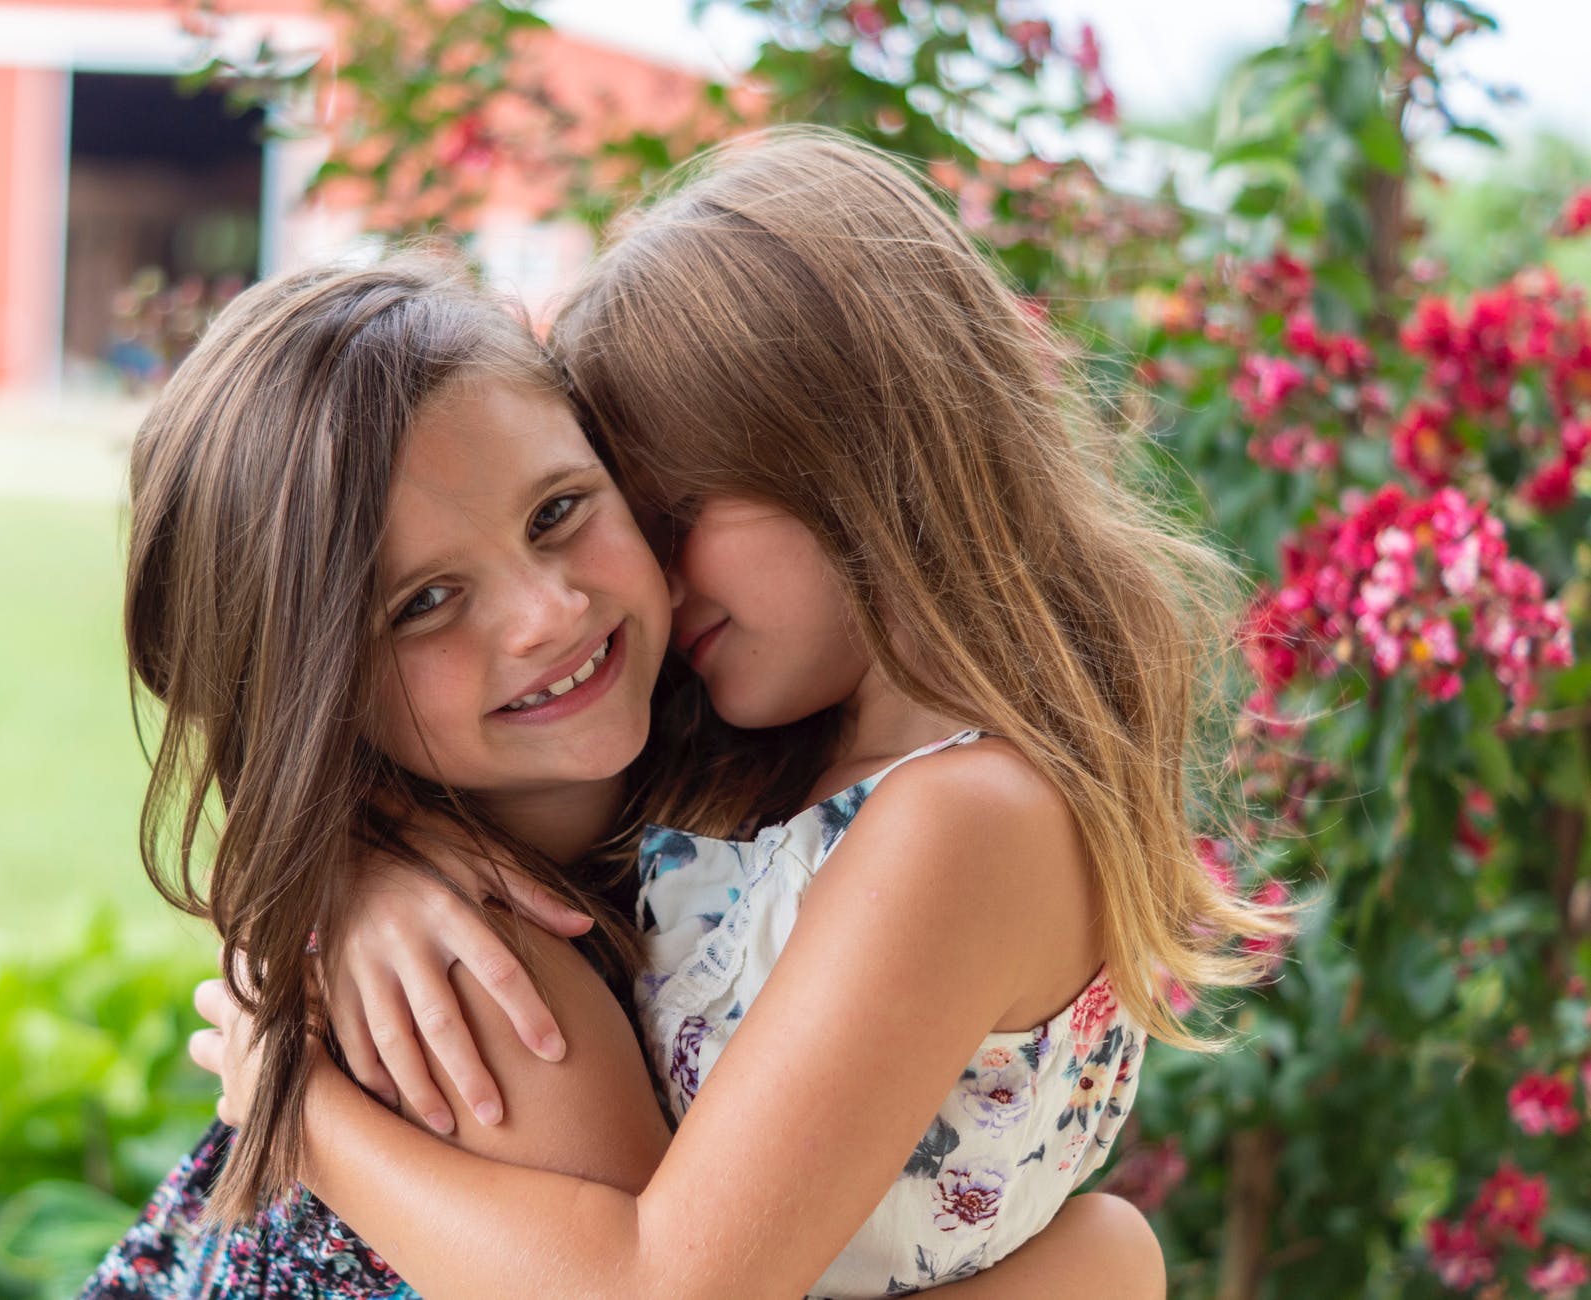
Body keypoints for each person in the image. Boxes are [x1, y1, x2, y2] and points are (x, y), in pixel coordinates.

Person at [187, 128, 1286, 1298]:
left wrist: (292, 1108)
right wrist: (366, 860)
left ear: (851, 451)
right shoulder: (763, 755)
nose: (630, 586)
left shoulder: (956, 820)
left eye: (664, 511)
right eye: (632, 515)